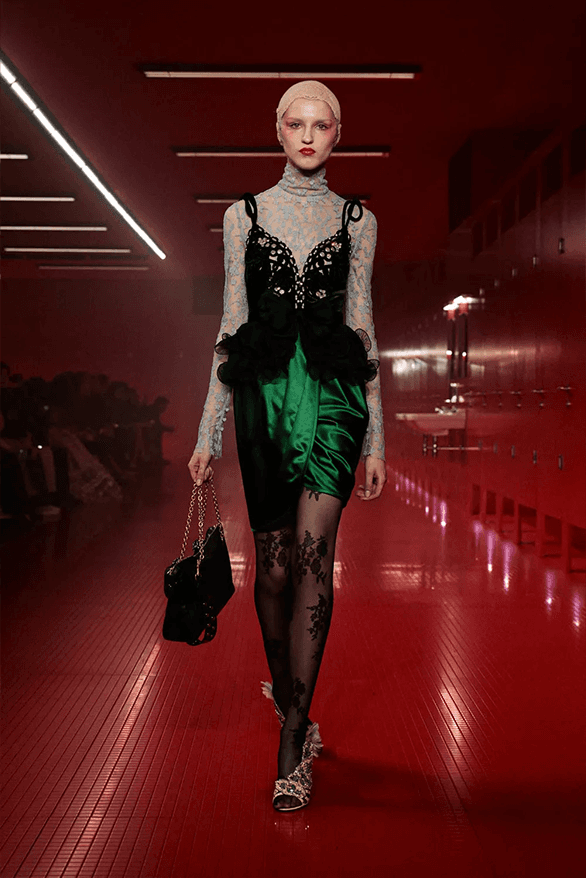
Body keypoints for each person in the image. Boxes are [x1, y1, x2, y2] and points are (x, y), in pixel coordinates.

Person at [188, 81, 386, 811]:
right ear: (277, 130)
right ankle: (291, 701)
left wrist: (377, 437)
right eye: (296, 124)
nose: (308, 136)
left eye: (321, 125)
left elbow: (363, 324)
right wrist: (208, 427)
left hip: (335, 399)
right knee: (270, 573)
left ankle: (293, 742)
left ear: (337, 134)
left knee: (311, 559)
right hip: (264, 401)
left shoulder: (359, 221)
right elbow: (230, 320)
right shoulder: (241, 216)